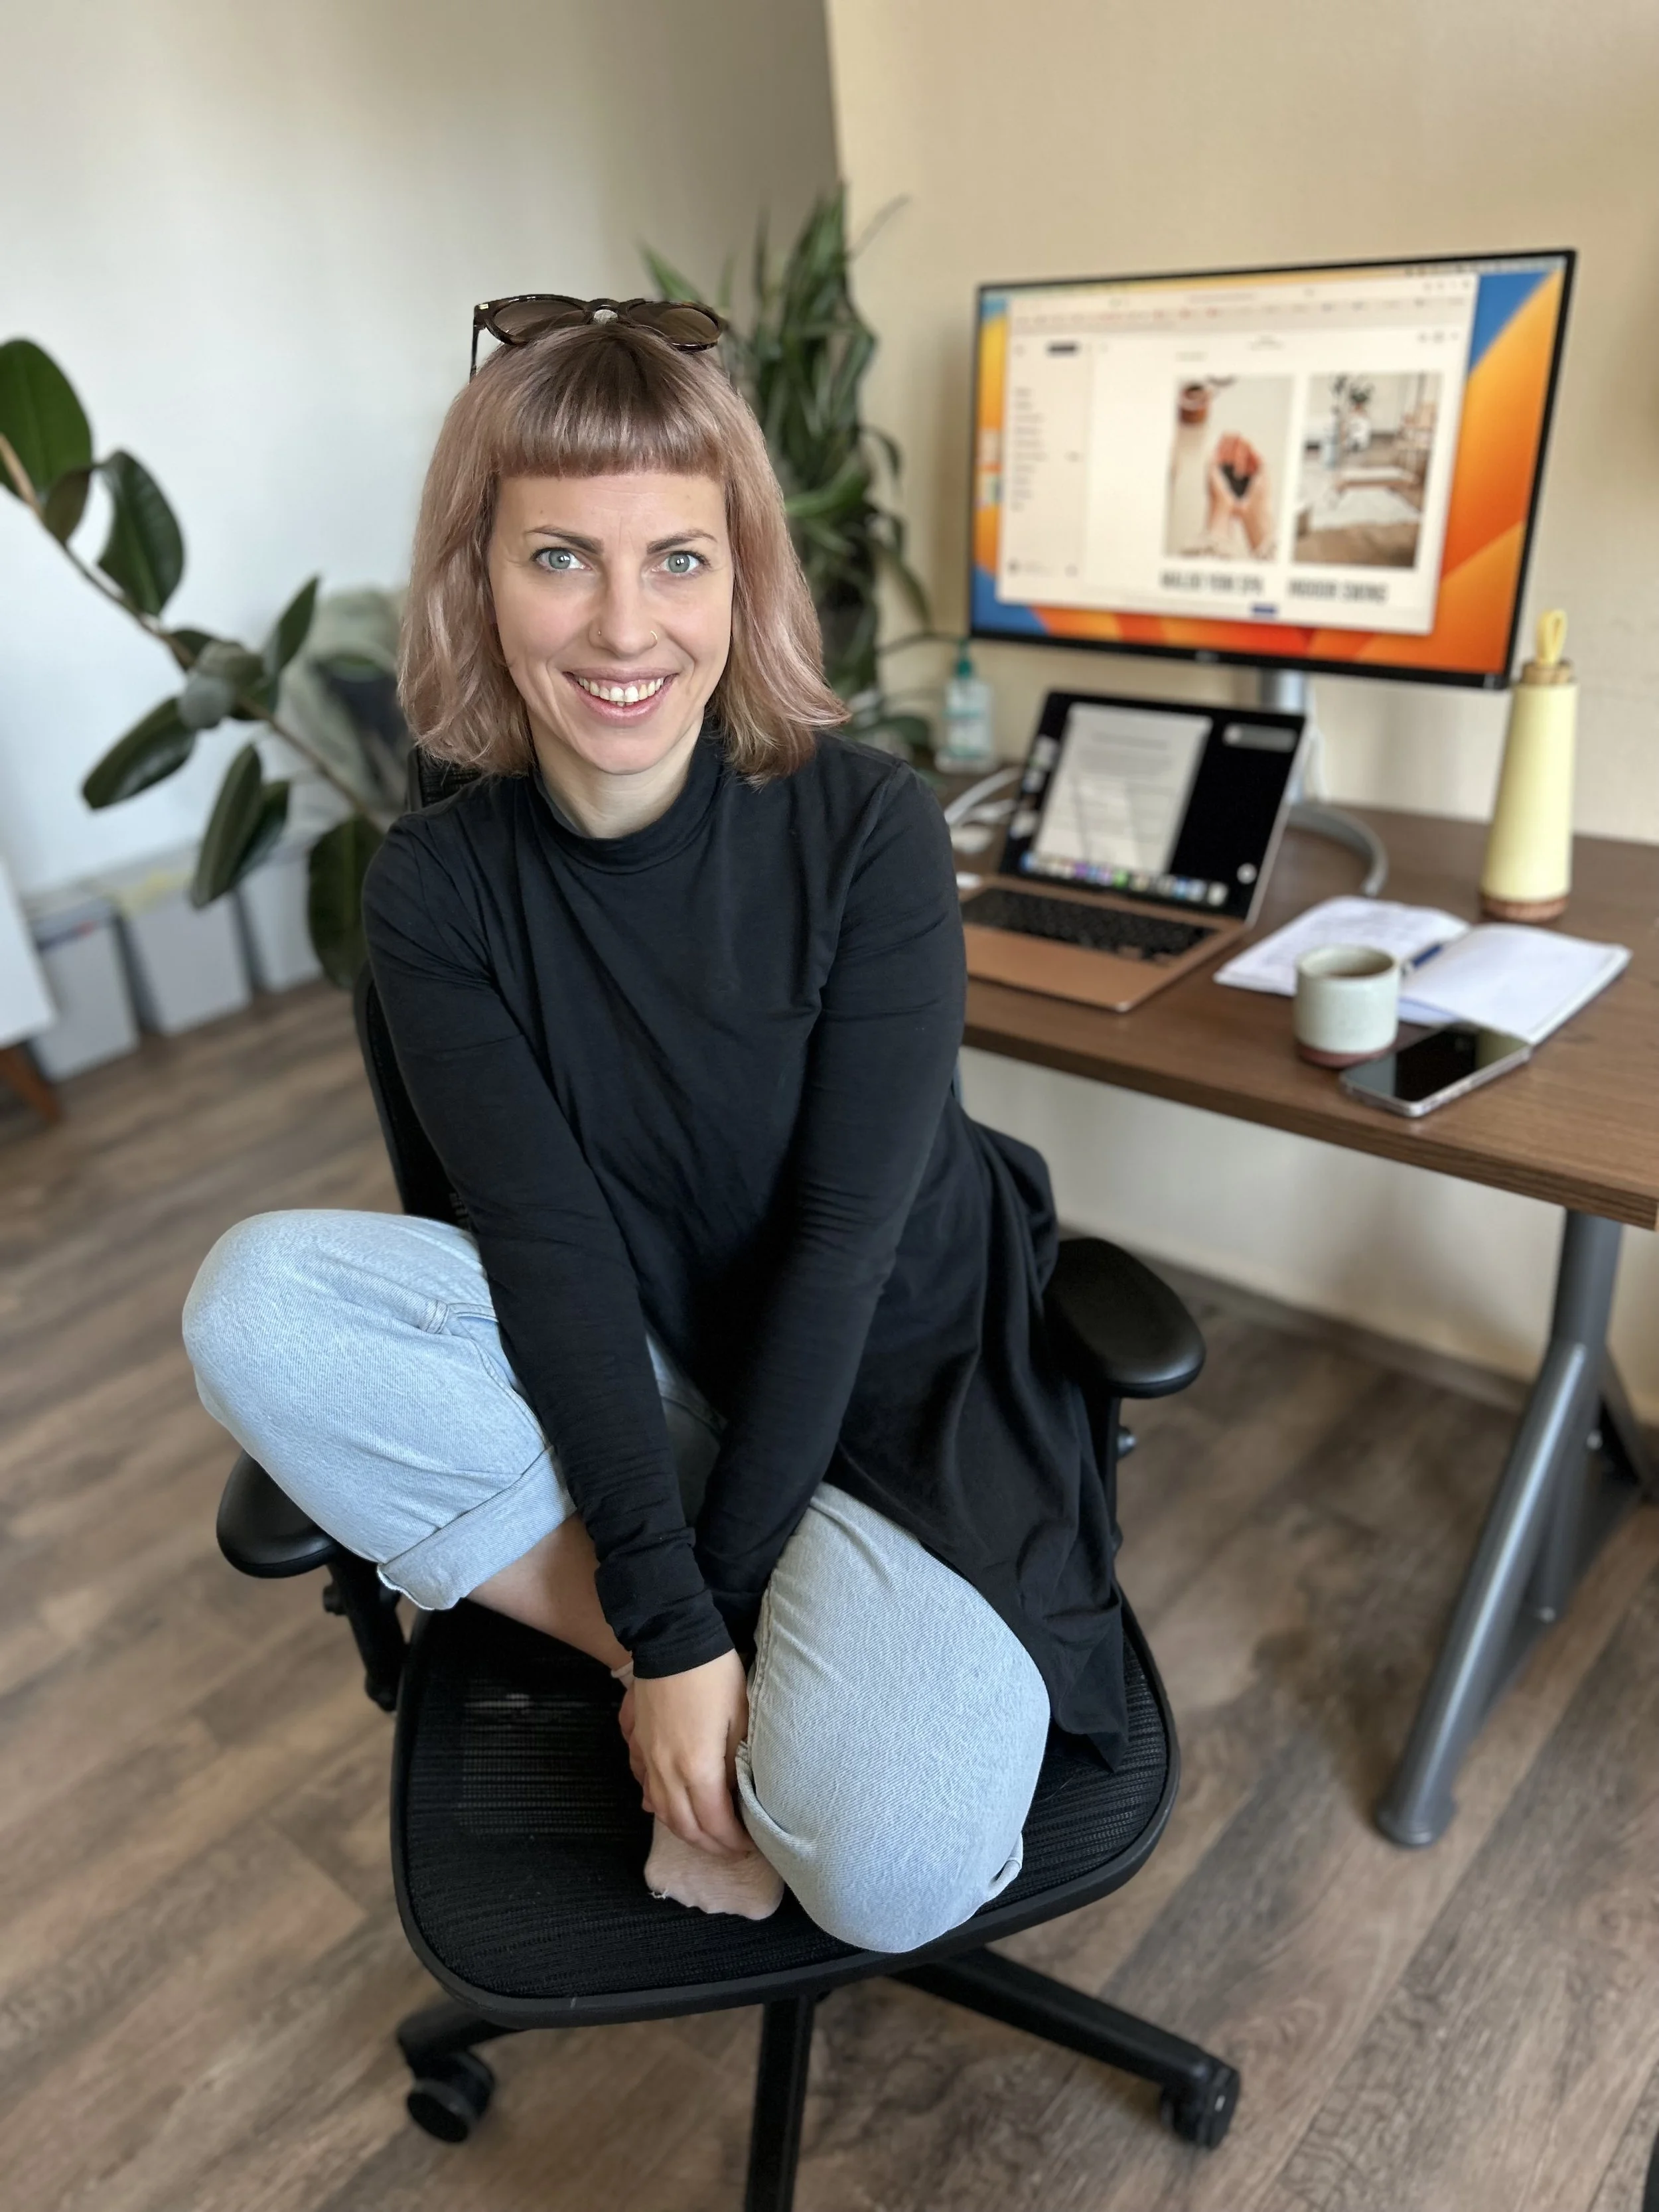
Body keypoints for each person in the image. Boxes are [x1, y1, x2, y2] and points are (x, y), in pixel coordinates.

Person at [182, 299, 1128, 1955]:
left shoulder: (869, 829)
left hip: (892, 1394)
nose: (624, 627)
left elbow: (840, 1255)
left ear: (740, 577)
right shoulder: (436, 888)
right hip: (633, 1363)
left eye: (677, 559)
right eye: (560, 557)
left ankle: (728, 1668)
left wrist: (705, 1603)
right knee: (254, 1305)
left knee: (893, 1869)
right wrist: (672, 1637)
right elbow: (545, 1251)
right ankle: (699, 1685)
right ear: (477, 577)